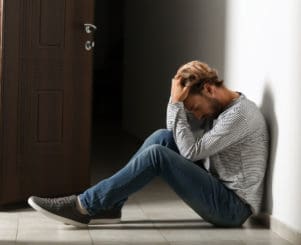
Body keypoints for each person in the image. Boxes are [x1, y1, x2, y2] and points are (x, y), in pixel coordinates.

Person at [28, 60, 269, 228]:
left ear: (208, 89)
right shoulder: (222, 109)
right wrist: (175, 102)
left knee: (157, 155)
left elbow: (190, 150)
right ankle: (110, 205)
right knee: (162, 137)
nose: (196, 116)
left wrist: (175, 105)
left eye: (194, 108)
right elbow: (179, 137)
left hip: (232, 208)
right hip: (218, 190)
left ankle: (84, 205)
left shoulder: (239, 116)